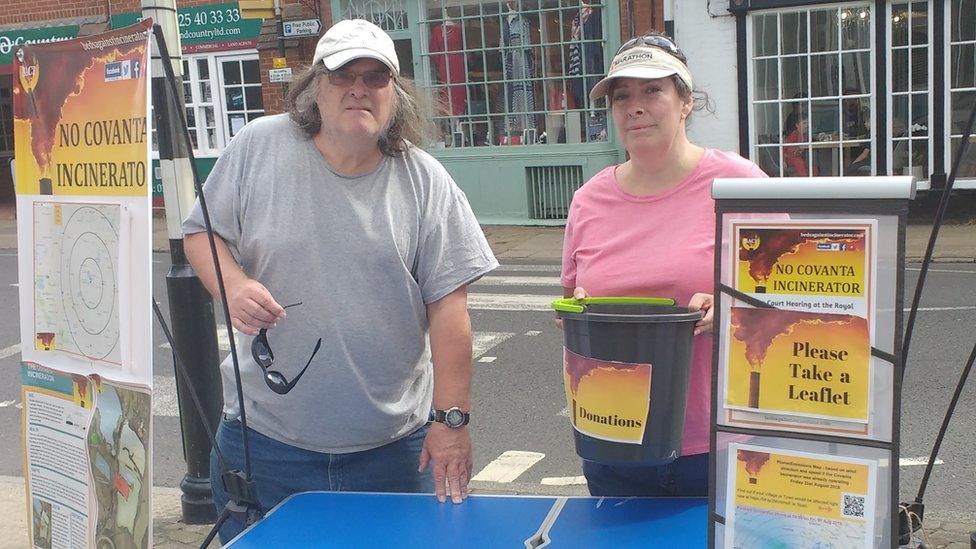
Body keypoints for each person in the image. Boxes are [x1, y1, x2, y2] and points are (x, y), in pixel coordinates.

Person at [182, 19, 498, 542]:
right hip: (264, 446)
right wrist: (232, 284)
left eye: (377, 77)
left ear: (395, 95)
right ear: (315, 89)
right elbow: (202, 235)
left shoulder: (425, 181)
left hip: (393, 452)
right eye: (342, 74)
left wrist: (451, 423)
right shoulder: (259, 146)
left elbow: (450, 312)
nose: (360, 87)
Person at [560, 33, 767, 497]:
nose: (635, 106)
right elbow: (573, 298)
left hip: (718, 444)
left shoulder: (739, 185)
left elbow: (792, 298)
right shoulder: (588, 199)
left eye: (652, 90)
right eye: (622, 95)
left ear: (685, 100)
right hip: (611, 438)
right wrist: (574, 311)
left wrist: (732, 308)